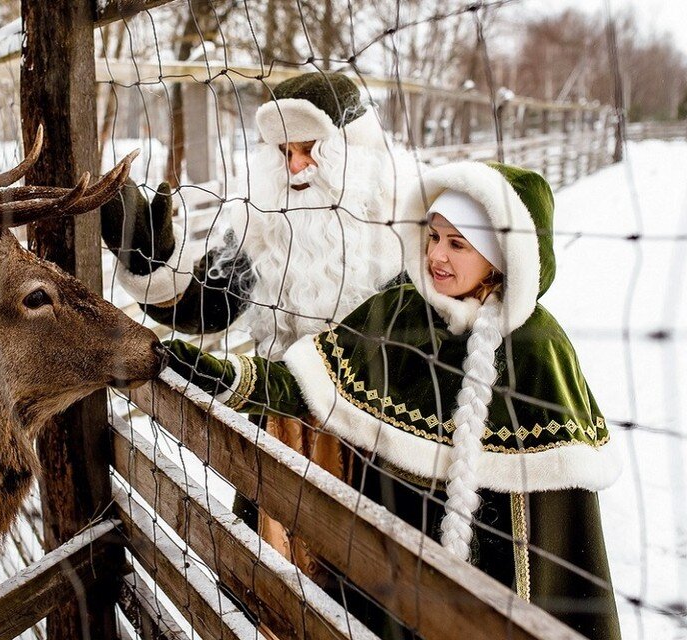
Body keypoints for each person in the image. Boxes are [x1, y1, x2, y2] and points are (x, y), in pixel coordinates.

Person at [165, 161, 622, 639]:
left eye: (457, 244)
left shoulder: (536, 348)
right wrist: (223, 375)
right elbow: (304, 383)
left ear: (500, 258)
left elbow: (561, 532)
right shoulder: (400, 311)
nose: (437, 256)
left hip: (489, 585)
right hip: (382, 573)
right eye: (434, 237)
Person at [102, 71, 421, 583]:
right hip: (281, 435)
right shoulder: (265, 226)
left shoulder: (407, 227)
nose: (296, 169)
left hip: (382, 445)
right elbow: (207, 303)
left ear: (349, 151)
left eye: (310, 150)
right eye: (284, 153)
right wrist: (151, 265)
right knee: (273, 592)